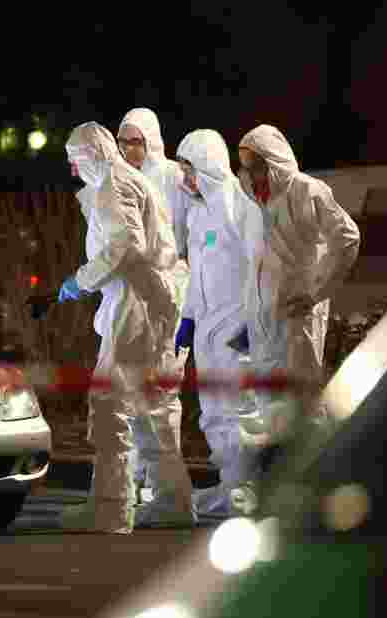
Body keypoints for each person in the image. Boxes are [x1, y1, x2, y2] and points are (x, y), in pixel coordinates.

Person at [57, 121, 196, 533]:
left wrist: (79, 281)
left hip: (137, 300)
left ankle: (111, 507)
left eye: (75, 161)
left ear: (90, 156)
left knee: (109, 402)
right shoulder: (131, 179)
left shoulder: (113, 186)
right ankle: (173, 501)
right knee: (152, 407)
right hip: (157, 300)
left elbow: (124, 247)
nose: (73, 171)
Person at [232, 124, 361, 510]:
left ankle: (327, 482)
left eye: (254, 164)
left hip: (297, 314)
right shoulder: (252, 198)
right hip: (262, 314)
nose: (248, 172)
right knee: (266, 400)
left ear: (273, 162)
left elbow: (347, 239)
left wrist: (316, 291)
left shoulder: (309, 191)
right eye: (244, 165)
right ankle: (271, 489)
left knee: (301, 401)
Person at [170, 129, 258, 519]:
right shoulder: (198, 212)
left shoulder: (241, 208)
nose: (185, 178)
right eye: (183, 170)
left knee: (239, 410)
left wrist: (253, 325)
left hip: (236, 325)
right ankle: (230, 485)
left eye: (190, 169)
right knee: (213, 411)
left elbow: (262, 270)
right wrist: (187, 318)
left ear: (207, 165)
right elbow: (197, 271)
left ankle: (247, 492)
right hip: (207, 326)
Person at [115, 107, 192, 512]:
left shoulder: (173, 179)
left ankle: (170, 494)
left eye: (136, 141)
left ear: (152, 141)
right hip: (138, 293)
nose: (129, 149)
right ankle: (150, 482)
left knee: (161, 393)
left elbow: (183, 238)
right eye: (123, 140)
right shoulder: (121, 180)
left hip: (168, 290)